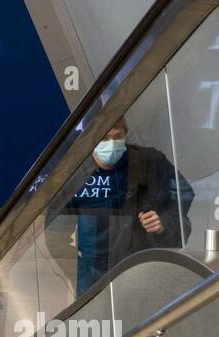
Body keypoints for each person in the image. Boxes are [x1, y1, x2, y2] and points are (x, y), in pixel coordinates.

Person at [60, 115, 195, 295]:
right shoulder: (76, 174)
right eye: (104, 138)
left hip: (140, 269)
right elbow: (55, 230)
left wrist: (164, 221)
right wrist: (75, 271)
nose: (112, 144)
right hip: (93, 277)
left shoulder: (148, 162)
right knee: (98, 322)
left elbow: (184, 193)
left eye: (118, 137)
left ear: (126, 135)